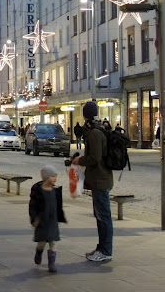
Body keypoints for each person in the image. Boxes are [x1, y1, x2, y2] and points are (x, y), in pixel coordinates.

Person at [72, 101, 113, 262]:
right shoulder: (96, 129)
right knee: (101, 216)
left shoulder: (95, 133)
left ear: (85, 115)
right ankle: (101, 248)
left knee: (103, 217)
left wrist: (79, 161)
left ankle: (105, 250)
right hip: (99, 179)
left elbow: (94, 158)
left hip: (101, 179)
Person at [29, 165, 66, 273]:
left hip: (53, 221)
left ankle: (52, 263)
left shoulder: (55, 191)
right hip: (42, 222)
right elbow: (33, 206)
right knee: (42, 242)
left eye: (56, 176)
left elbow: (58, 206)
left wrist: (60, 217)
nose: (55, 179)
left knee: (53, 243)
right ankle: (39, 252)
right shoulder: (38, 191)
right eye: (53, 176)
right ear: (46, 177)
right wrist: (34, 218)